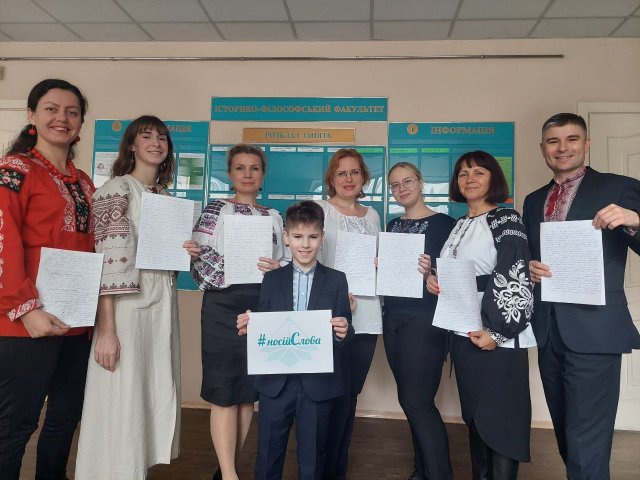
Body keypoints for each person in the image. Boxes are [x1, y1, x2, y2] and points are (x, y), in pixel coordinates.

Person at [74, 116, 200, 479]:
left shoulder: (163, 197)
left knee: (149, 390)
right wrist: (107, 331)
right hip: (126, 310)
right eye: (147, 136)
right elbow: (107, 263)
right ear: (131, 144)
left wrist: (185, 252)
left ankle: (135, 468)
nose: (156, 143)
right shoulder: (117, 189)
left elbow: (163, 260)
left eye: (162, 138)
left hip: (161, 306)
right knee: (122, 394)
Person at [523, 113, 640, 479]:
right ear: (543, 148)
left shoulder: (620, 188)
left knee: (586, 438)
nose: (563, 148)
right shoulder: (533, 201)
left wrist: (634, 220)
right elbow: (532, 256)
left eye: (572, 139)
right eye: (553, 141)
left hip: (595, 330)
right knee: (566, 433)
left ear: (586, 144)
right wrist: (530, 267)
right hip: (549, 330)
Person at [0, 79, 94, 480]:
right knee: (15, 424)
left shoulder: (84, 181)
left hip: (76, 322)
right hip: (26, 321)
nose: (62, 118)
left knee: (64, 418)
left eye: (72, 112)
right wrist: (26, 309)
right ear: (32, 115)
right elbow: (3, 239)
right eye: (52, 109)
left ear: (80, 122)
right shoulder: (15, 170)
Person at [427, 151, 535, 480]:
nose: (469, 178)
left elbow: (516, 271)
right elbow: (461, 272)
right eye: (463, 173)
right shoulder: (460, 224)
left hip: (496, 334)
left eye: (478, 172)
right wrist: (435, 279)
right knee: (476, 418)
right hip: (463, 331)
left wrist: (498, 332)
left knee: (501, 422)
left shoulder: (506, 219)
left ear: (493, 179)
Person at [237, 201, 354, 480]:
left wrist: (343, 331)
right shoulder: (272, 280)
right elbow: (265, 326)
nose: (305, 244)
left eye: (312, 237)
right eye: (298, 236)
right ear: (286, 237)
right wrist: (251, 325)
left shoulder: (337, 280)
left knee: (313, 458)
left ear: (322, 238)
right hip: (276, 384)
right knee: (268, 455)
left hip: (317, 385)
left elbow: (345, 330)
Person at [191, 144, 286, 480]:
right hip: (222, 304)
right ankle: (231, 476)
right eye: (240, 168)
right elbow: (199, 259)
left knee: (247, 395)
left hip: (260, 305)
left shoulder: (274, 216)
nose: (247, 174)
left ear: (263, 174)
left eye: (254, 168)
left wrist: (277, 268)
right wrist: (232, 263)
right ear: (230, 174)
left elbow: (287, 260)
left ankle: (226, 470)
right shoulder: (216, 209)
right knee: (224, 392)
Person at [383, 162, 455, 480]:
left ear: (421, 182)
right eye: (395, 185)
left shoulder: (446, 225)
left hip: (426, 320)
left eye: (408, 181)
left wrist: (432, 272)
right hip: (393, 318)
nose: (402, 188)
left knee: (418, 401)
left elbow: (456, 277)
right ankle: (421, 470)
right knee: (408, 399)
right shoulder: (392, 225)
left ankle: (439, 474)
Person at [314, 148, 382, 480]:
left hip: (367, 316)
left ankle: (337, 469)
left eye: (355, 172)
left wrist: (381, 265)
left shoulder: (373, 216)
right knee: (327, 395)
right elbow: (309, 259)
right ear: (332, 178)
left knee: (350, 394)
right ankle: (320, 468)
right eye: (341, 173)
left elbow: (379, 262)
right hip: (331, 315)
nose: (349, 179)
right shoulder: (320, 210)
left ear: (363, 177)